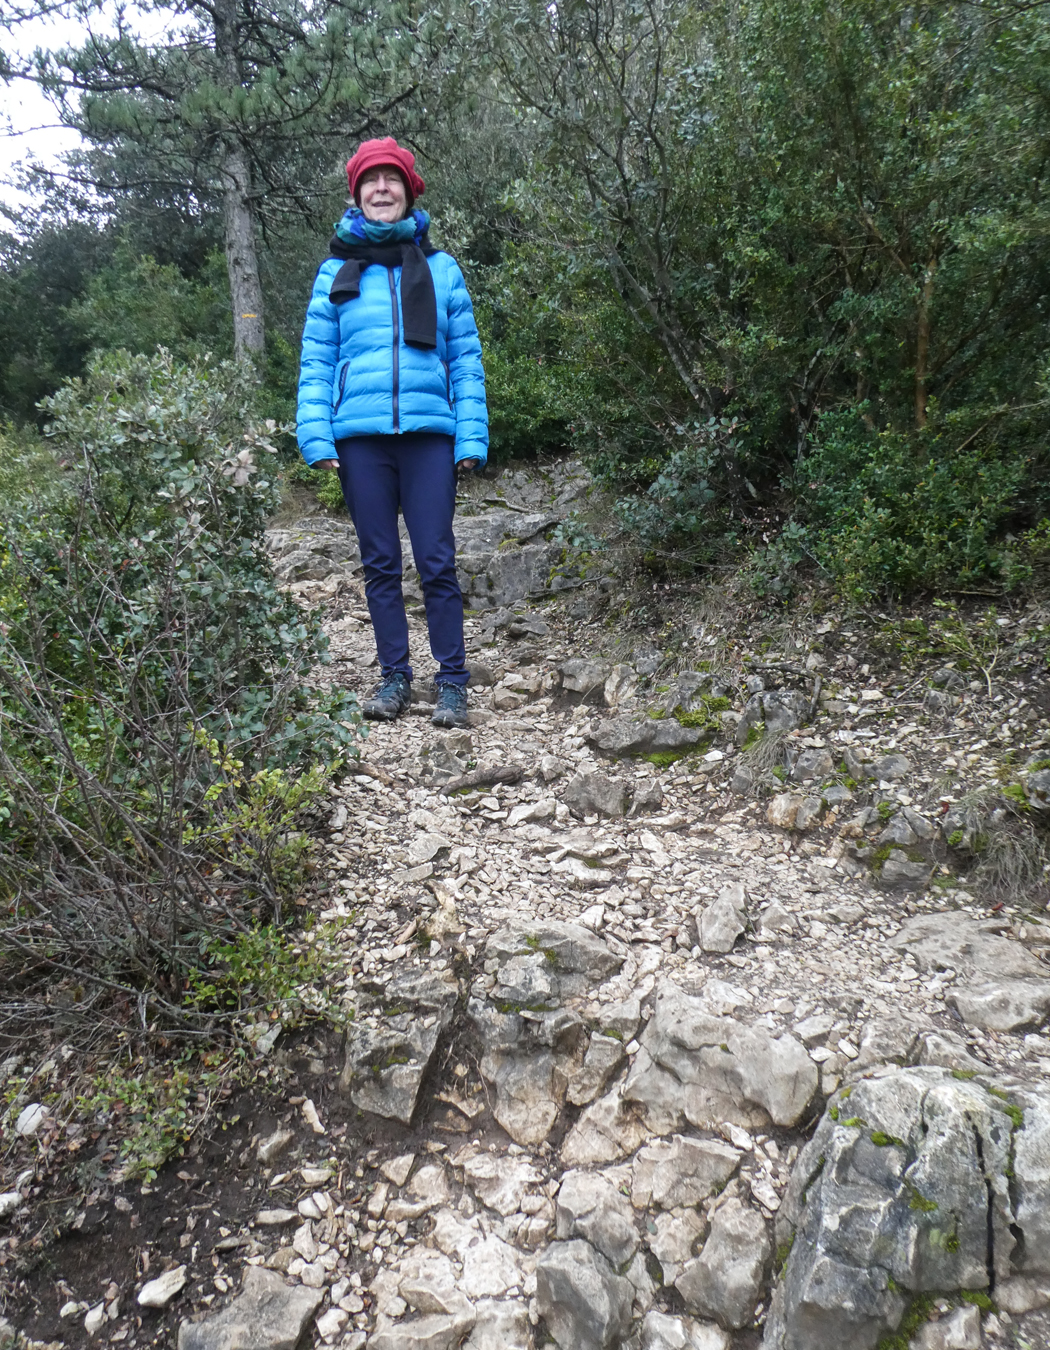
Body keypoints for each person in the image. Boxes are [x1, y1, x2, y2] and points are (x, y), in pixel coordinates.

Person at [296, 136, 488, 730]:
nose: (382, 189)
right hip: (360, 438)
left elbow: (465, 358)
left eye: (392, 179)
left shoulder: (441, 268)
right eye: (371, 181)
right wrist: (316, 435)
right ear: (357, 194)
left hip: (430, 433)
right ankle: (394, 676)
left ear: (409, 191)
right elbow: (317, 360)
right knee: (379, 562)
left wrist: (471, 434)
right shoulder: (335, 271)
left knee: (436, 560)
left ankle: (452, 681)